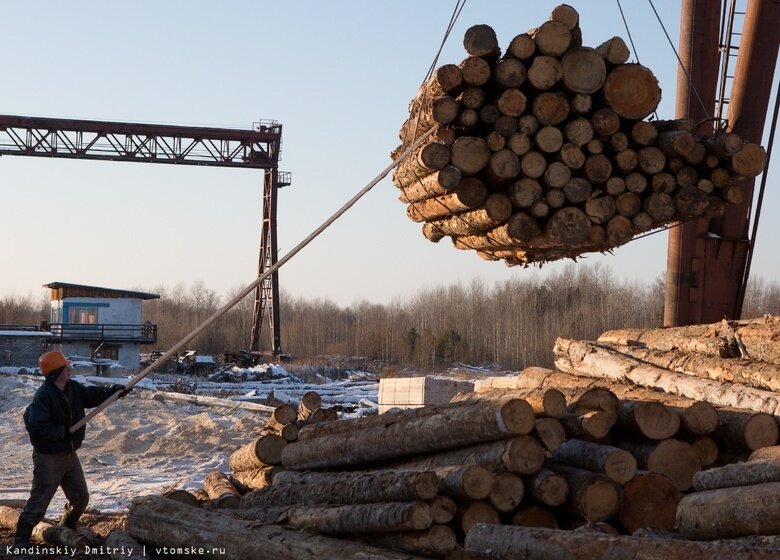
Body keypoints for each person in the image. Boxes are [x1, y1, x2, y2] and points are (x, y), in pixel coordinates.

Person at [13, 350, 130, 546]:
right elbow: (36, 426)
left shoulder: (73, 388)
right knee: (40, 500)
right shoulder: (44, 396)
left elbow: (92, 395)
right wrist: (62, 432)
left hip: (69, 453)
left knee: (81, 498)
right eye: (65, 367)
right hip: (48, 457)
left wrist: (114, 391)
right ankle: (21, 539)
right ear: (56, 371)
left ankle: (67, 526)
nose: (69, 369)